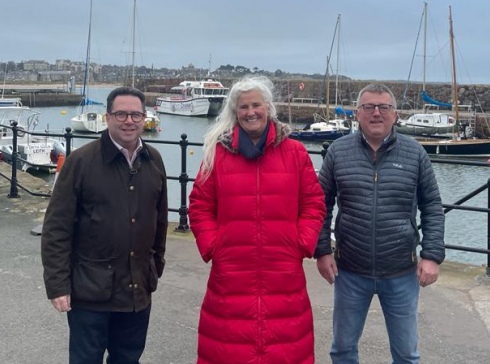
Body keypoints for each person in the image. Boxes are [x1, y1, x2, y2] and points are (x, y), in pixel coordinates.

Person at [189, 76, 326, 364]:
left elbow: (314, 203)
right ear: (235, 112)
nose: (250, 112)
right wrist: (215, 246)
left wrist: (300, 243)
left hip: (283, 270)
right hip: (231, 271)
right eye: (243, 107)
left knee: (285, 348)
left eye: (256, 105)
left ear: (268, 108)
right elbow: (200, 205)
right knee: (228, 348)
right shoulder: (217, 153)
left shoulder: (295, 152)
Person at [315, 83, 445, 364]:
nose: (376, 113)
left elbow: (432, 206)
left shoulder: (415, 154)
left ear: (395, 114)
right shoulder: (338, 152)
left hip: (400, 272)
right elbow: (320, 205)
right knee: (342, 350)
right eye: (369, 107)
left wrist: (432, 256)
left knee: (406, 354)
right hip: (350, 271)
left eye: (384, 107)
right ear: (357, 113)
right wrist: (322, 250)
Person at [41, 86, 168, 364]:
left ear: (144, 117)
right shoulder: (81, 161)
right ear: (108, 117)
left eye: (136, 114)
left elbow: (159, 222)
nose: (129, 121)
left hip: (137, 290)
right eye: (121, 114)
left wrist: (154, 267)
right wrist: (58, 285)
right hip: (90, 291)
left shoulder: (153, 161)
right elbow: (57, 227)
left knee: (128, 359)